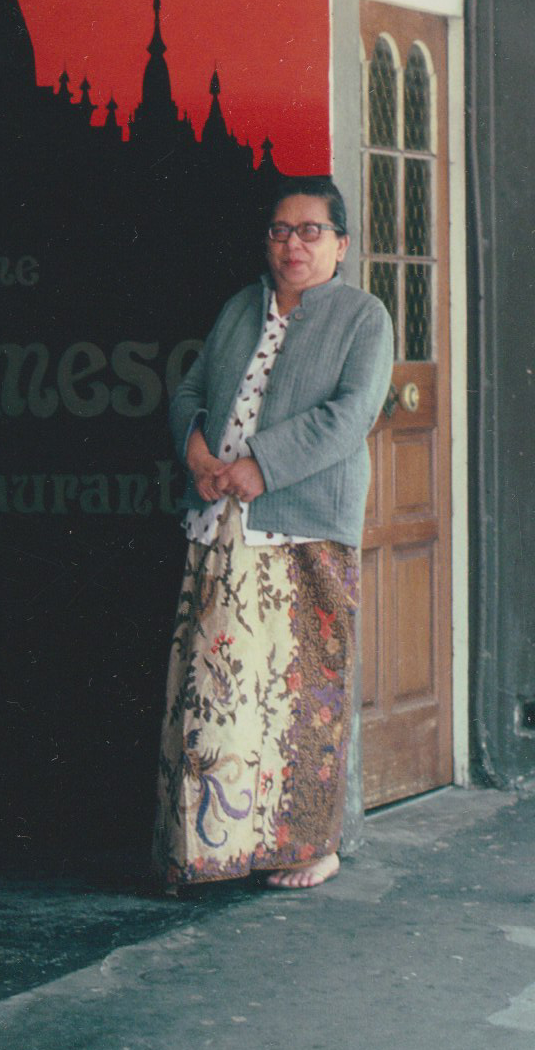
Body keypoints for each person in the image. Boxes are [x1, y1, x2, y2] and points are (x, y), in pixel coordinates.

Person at [153, 176, 394, 891]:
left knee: (302, 694)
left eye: (311, 230)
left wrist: (265, 464)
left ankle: (311, 845)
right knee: (217, 688)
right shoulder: (240, 309)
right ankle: (214, 844)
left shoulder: (362, 317)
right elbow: (192, 389)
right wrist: (197, 448)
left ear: (341, 244)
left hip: (304, 526)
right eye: (281, 230)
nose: (294, 243)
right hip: (221, 523)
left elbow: (352, 415)